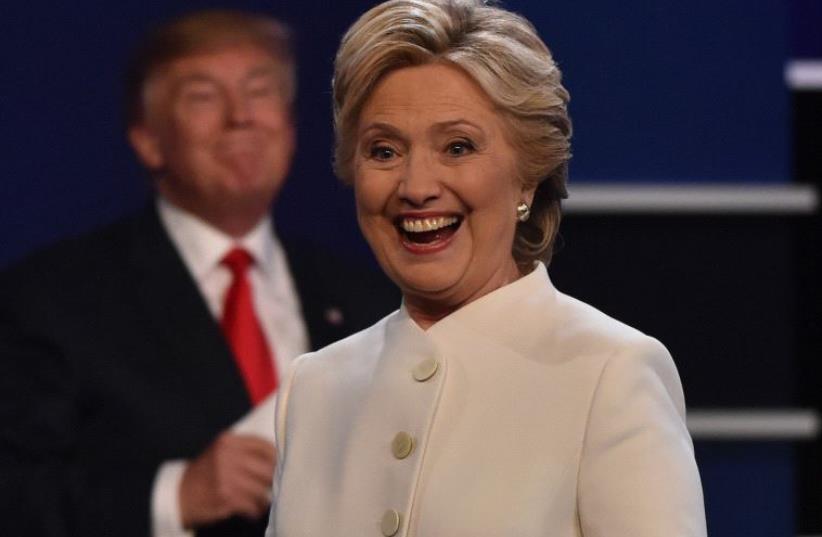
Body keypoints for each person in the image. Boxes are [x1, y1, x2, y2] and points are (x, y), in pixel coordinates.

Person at [265, 0, 707, 535]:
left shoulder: (610, 373)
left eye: (457, 147)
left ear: (528, 177)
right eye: (384, 151)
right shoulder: (314, 388)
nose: (416, 187)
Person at [0, 9, 396, 537]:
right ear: (148, 139)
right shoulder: (53, 298)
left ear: (290, 128)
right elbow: (16, 494)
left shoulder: (369, 297)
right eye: (203, 96)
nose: (241, 116)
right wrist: (175, 494)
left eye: (260, 91)